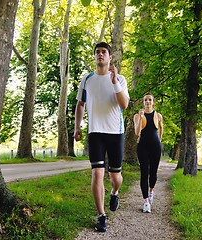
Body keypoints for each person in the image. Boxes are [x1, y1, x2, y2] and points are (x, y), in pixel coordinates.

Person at [74, 42, 129, 232]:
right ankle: (101, 215)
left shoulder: (120, 79)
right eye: (97, 52)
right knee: (97, 173)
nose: (100, 55)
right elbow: (80, 104)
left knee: (115, 177)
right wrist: (77, 127)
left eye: (104, 52)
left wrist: (114, 82)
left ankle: (114, 192)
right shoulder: (87, 79)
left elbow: (123, 105)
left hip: (115, 132)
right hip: (95, 132)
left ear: (110, 57)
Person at [133, 94, 163, 213]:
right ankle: (146, 202)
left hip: (155, 146)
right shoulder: (137, 116)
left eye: (150, 100)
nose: (148, 102)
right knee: (144, 173)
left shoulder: (158, 115)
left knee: (153, 173)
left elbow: (161, 128)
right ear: (143, 102)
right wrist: (141, 117)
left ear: (153, 102)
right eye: (145, 100)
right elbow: (136, 132)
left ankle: (151, 191)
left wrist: (159, 140)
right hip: (142, 146)